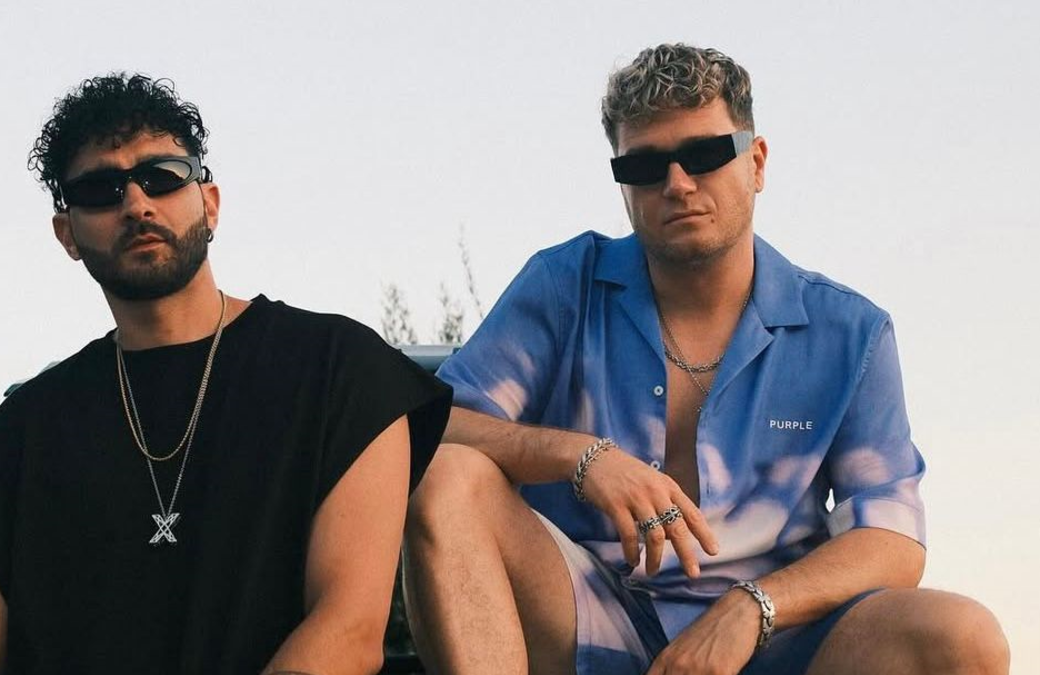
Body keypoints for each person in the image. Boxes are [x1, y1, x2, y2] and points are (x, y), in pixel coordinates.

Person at [404, 44, 1009, 675]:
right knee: (447, 474)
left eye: (705, 155)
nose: (677, 184)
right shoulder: (564, 286)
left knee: (963, 637)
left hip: (776, 640)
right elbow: (435, 426)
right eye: (645, 165)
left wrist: (752, 607)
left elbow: (891, 537)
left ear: (757, 162)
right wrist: (582, 457)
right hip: (586, 612)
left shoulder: (850, 333)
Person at [0, 73, 451, 675]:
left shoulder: (340, 369)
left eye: (163, 176)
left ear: (210, 203)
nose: (137, 204)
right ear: (66, 234)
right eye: (100, 189)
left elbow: (348, 630)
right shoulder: (27, 426)